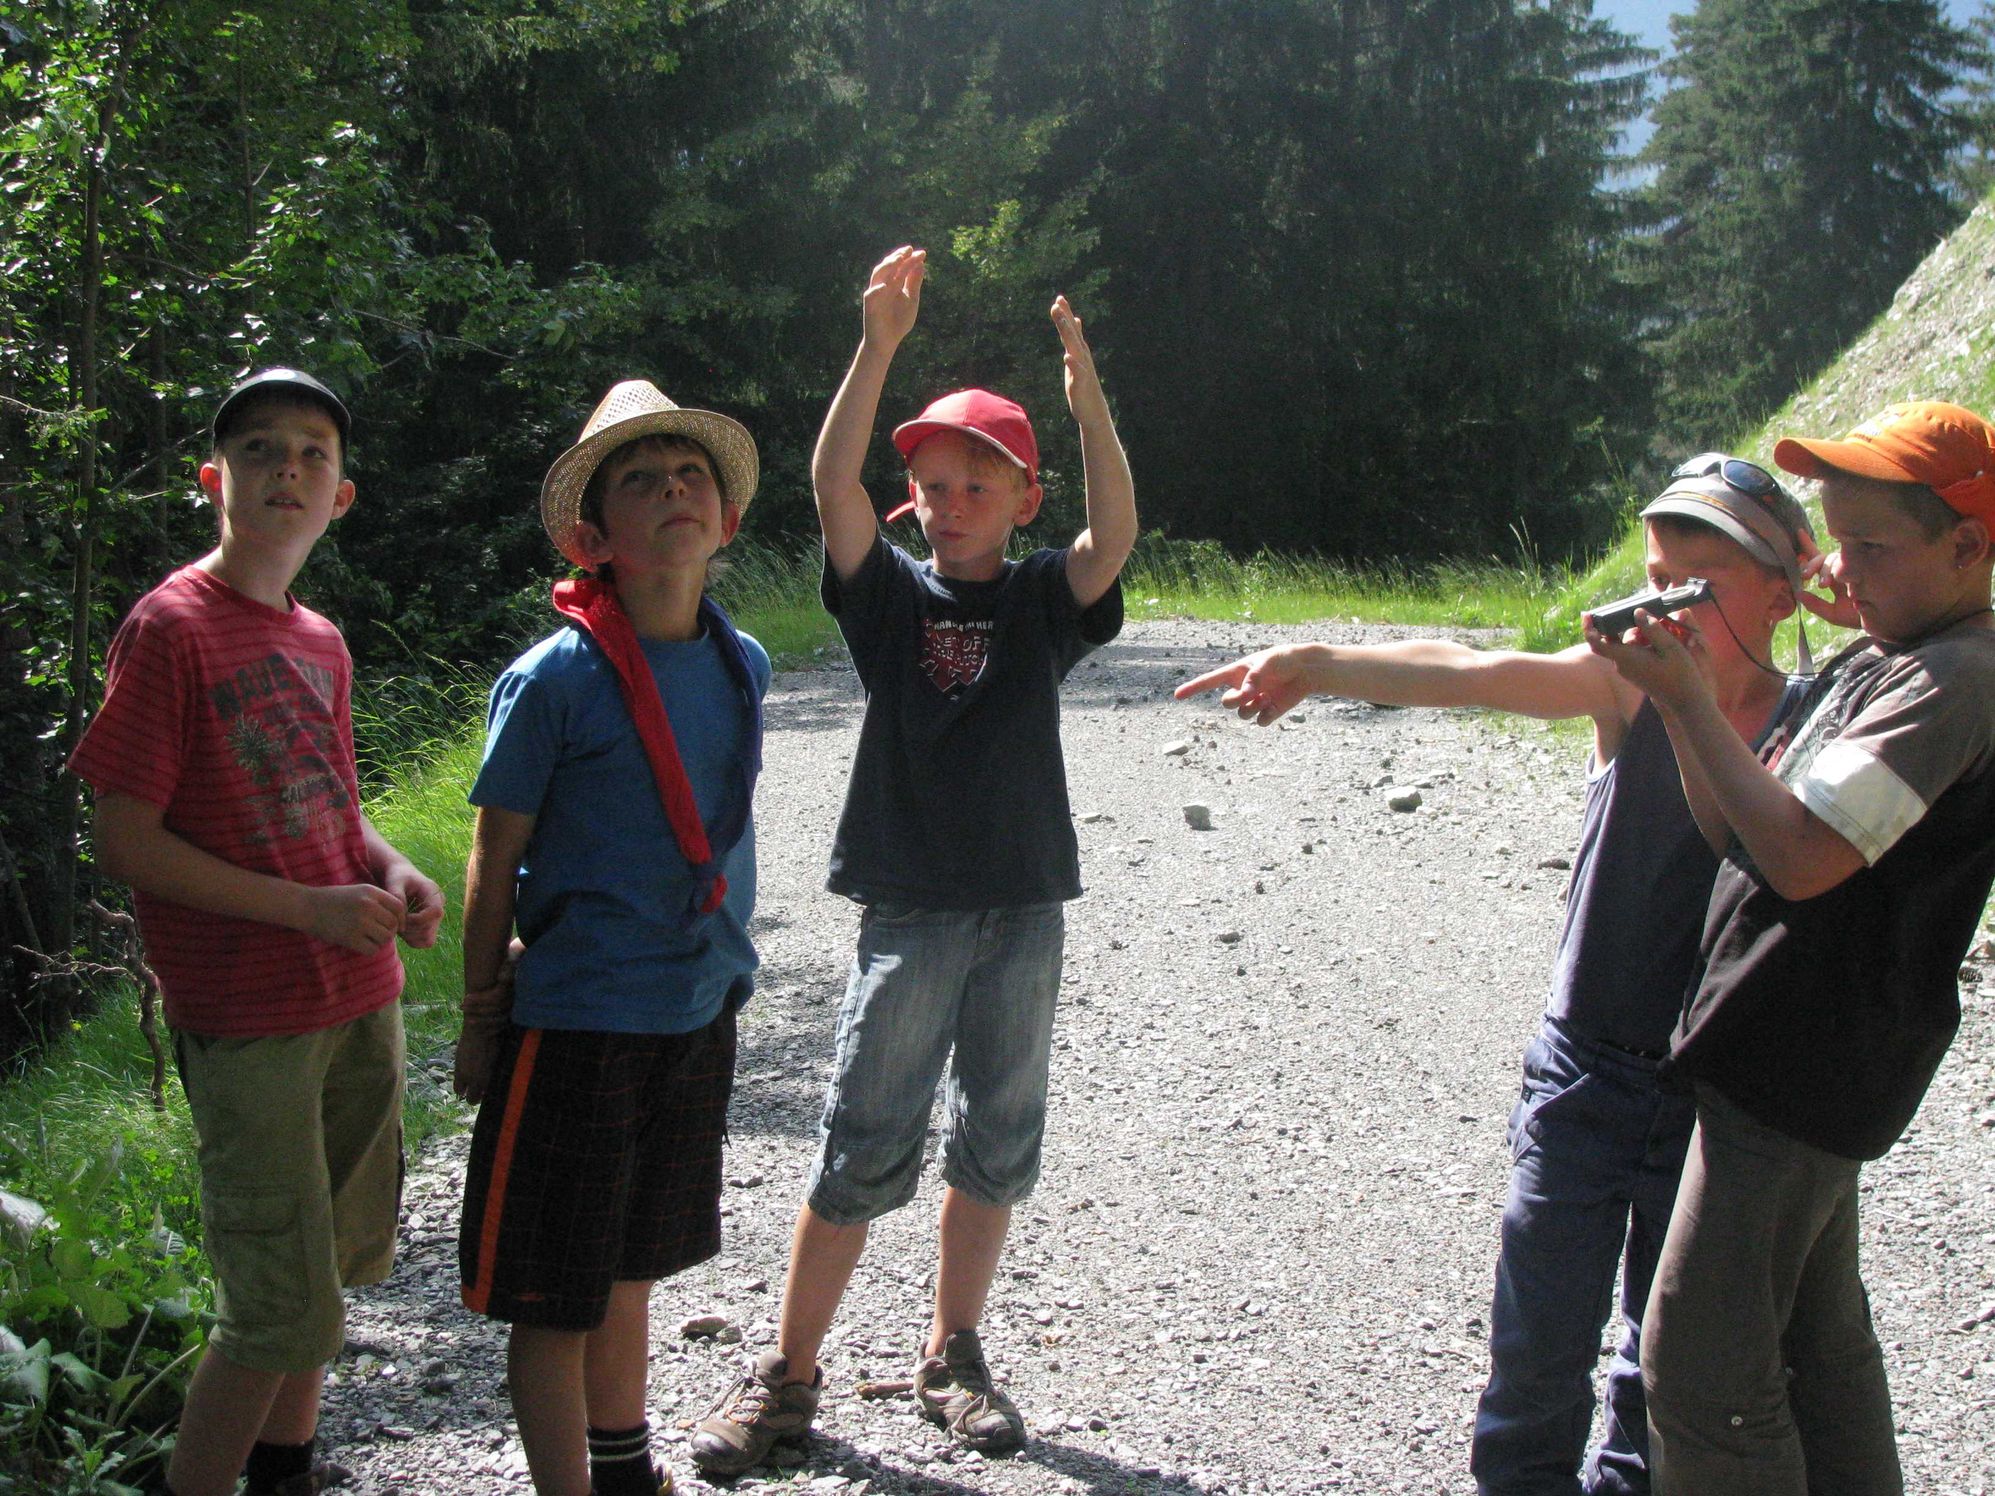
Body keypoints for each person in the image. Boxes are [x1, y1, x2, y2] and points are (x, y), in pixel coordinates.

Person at [1177, 458, 1817, 1495]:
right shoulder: (1627, 688)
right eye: (1656, 578)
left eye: (1700, 584)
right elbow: (1472, 671)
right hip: (1587, 1073)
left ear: (1783, 595)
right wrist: (1320, 661)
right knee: (1536, 1345)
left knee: (1662, 1359)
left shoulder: (1815, 720)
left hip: (1715, 1092)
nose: (1664, 607)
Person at [689, 245, 1137, 1475]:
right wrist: (876, 343)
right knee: (862, 1141)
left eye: (978, 483)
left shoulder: (1042, 601)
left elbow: (1114, 534)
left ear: (1024, 498)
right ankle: (786, 1374)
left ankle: (953, 1351)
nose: (951, 501)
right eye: (934, 484)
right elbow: (830, 479)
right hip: (910, 913)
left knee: (996, 1137)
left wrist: (1090, 403)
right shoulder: (886, 600)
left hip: (1023, 910)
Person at [1588, 402, 1995, 1495]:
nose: (1841, 571)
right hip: (1789, 1056)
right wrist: (1685, 702)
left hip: (1801, 1066)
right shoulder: (1896, 656)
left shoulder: (1952, 679)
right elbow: (1739, 829)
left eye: (1871, 547)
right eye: (1837, 541)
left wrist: (1686, 697)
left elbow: (1805, 857)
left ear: (1967, 544)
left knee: (1699, 1376)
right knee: (1820, 1355)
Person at [68, 368, 445, 1496]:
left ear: (342, 496)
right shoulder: (170, 626)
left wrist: (390, 868)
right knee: (272, 1307)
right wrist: (308, 909)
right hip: (250, 1018)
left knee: (325, 1279)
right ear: (213, 479)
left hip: (357, 998)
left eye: (313, 453)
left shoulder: (320, 638)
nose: (288, 467)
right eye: (261, 448)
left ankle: (287, 1474)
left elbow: (331, 804)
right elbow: (124, 839)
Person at [451, 379, 770, 1496]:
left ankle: (625, 1467)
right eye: (640, 480)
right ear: (593, 539)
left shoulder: (743, 661)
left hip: (694, 1009)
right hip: (580, 1021)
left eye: (690, 475)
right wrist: (480, 1014)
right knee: (552, 1295)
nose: (673, 490)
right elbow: (493, 857)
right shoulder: (554, 679)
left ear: (727, 519)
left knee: (631, 1266)